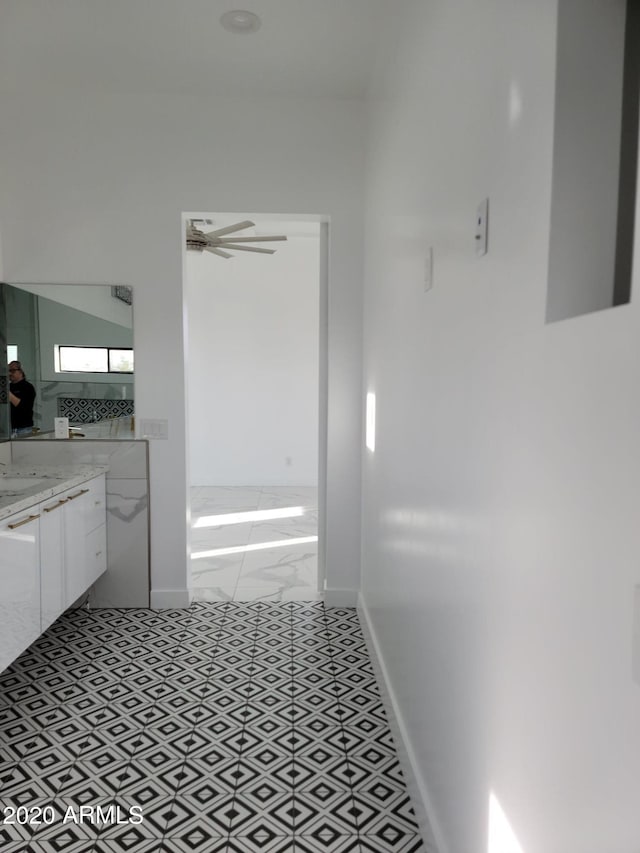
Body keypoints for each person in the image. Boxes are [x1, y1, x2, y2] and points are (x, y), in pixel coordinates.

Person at [9, 360, 36, 436]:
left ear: (21, 371)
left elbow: (24, 407)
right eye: (8, 371)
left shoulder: (28, 387)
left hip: (23, 428)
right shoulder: (9, 387)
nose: (9, 373)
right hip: (8, 427)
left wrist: (9, 395)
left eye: (13, 370)